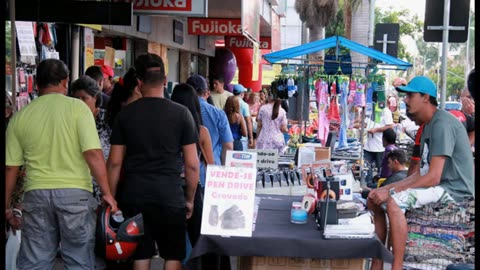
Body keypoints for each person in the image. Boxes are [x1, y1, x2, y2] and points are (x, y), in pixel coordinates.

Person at [5, 59, 117, 270]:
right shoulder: (79, 109)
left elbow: (11, 168)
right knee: (78, 260)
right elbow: (93, 153)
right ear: (65, 82)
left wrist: (6, 206)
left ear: (36, 84)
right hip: (76, 196)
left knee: (35, 261)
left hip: (36, 194)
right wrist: (107, 193)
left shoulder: (20, 117)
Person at [367, 76, 474, 270]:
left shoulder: (442, 123)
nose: (405, 101)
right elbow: (419, 175)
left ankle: (396, 266)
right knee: (374, 198)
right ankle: (378, 259)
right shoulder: (426, 127)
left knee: (394, 202)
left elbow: (433, 177)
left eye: (410, 96)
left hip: (454, 190)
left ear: (426, 97)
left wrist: (392, 192)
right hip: (439, 184)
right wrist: (386, 188)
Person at [107, 54, 199, 270]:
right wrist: (190, 199)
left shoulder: (125, 116)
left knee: (140, 254)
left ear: (138, 83)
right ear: (165, 80)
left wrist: (111, 199)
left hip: (134, 196)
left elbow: (114, 163)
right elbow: (192, 164)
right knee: (173, 255)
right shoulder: (182, 114)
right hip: (170, 195)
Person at [170, 83, 214, 262]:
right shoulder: (201, 131)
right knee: (199, 239)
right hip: (193, 188)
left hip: (169, 188)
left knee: (172, 244)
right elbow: (210, 165)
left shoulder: (167, 128)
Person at [186, 74, 234, 176]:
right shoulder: (218, 113)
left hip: (184, 172)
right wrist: (224, 172)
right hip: (210, 170)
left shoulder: (179, 112)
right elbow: (228, 146)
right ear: (206, 93)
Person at [363, 101, 394, 188]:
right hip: (368, 145)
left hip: (380, 146)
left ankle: (382, 186)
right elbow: (366, 123)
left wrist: (376, 130)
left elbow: (390, 126)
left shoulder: (385, 111)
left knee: (382, 168)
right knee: (366, 166)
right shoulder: (369, 109)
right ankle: (368, 185)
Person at [233, 84, 254, 148]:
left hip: (229, 136)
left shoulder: (228, 102)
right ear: (242, 94)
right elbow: (248, 121)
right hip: (242, 137)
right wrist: (251, 137)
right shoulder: (244, 105)